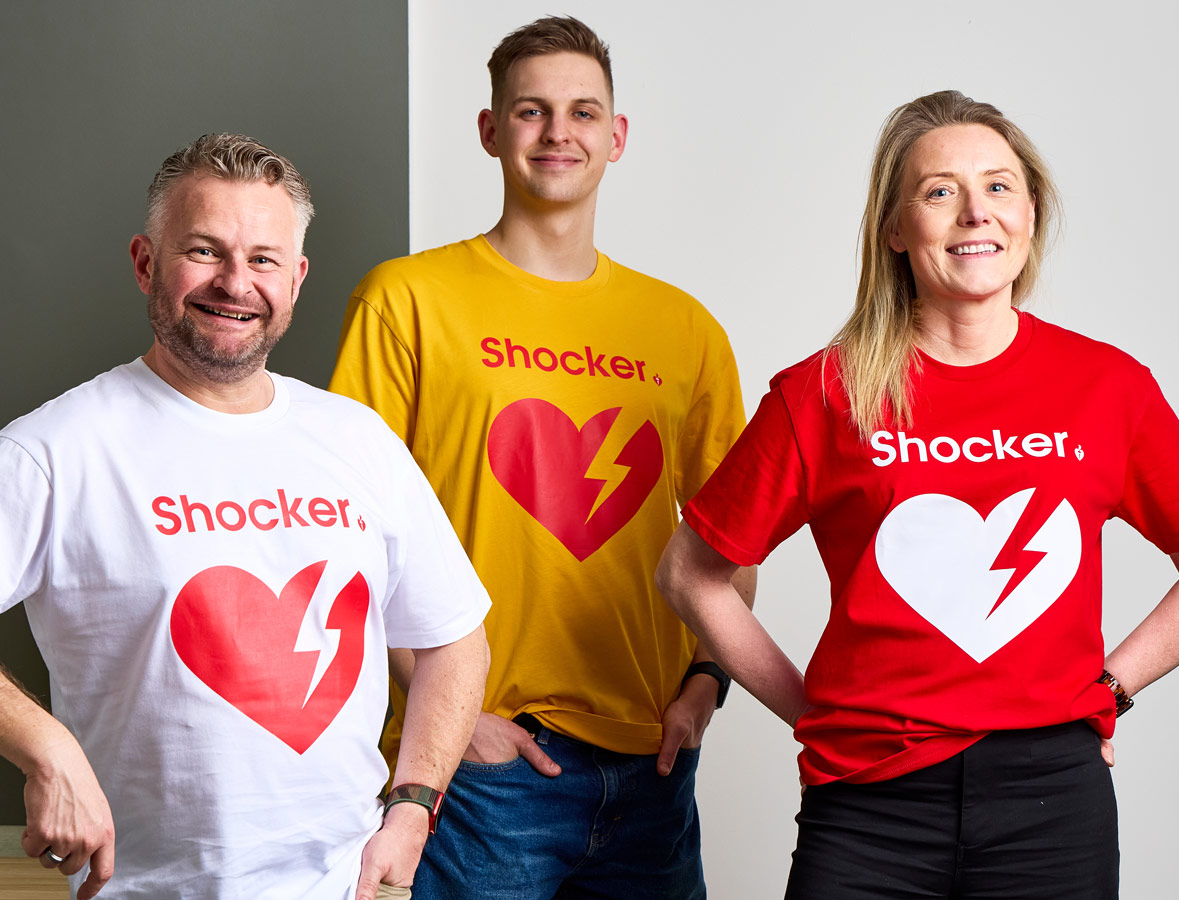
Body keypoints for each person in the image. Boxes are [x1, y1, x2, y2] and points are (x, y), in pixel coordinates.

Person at [657, 90, 1179, 900]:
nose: (976, 211)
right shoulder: (824, 393)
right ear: (895, 227)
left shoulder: (1108, 387)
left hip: (1052, 801)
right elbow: (689, 573)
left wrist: (1113, 687)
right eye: (940, 191)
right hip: (868, 805)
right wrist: (812, 710)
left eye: (999, 186)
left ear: (1030, 213)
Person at [0, 133, 491, 900]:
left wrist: (414, 806)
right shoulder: (52, 451)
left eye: (263, 259)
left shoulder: (357, 439)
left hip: (345, 888)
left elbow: (455, 640)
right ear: (145, 263)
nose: (236, 282)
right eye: (204, 250)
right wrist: (46, 748)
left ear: (296, 279)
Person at [329, 15, 751, 899]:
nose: (559, 131)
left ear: (616, 136)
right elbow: (347, 536)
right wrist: (457, 722)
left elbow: (730, 542)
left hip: (653, 765)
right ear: (491, 130)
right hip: (478, 770)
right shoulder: (405, 300)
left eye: (583, 112)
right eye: (531, 110)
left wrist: (707, 683)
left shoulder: (686, 329)